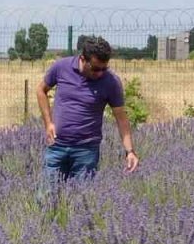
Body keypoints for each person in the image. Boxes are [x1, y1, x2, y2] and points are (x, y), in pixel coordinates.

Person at [36, 35, 139, 183]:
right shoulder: (61, 68)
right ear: (83, 59)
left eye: (105, 68)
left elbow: (121, 119)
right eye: (96, 68)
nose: (100, 73)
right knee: (46, 198)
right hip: (56, 146)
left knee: (82, 200)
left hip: (86, 150)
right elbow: (41, 90)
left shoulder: (111, 82)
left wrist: (130, 151)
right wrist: (48, 123)